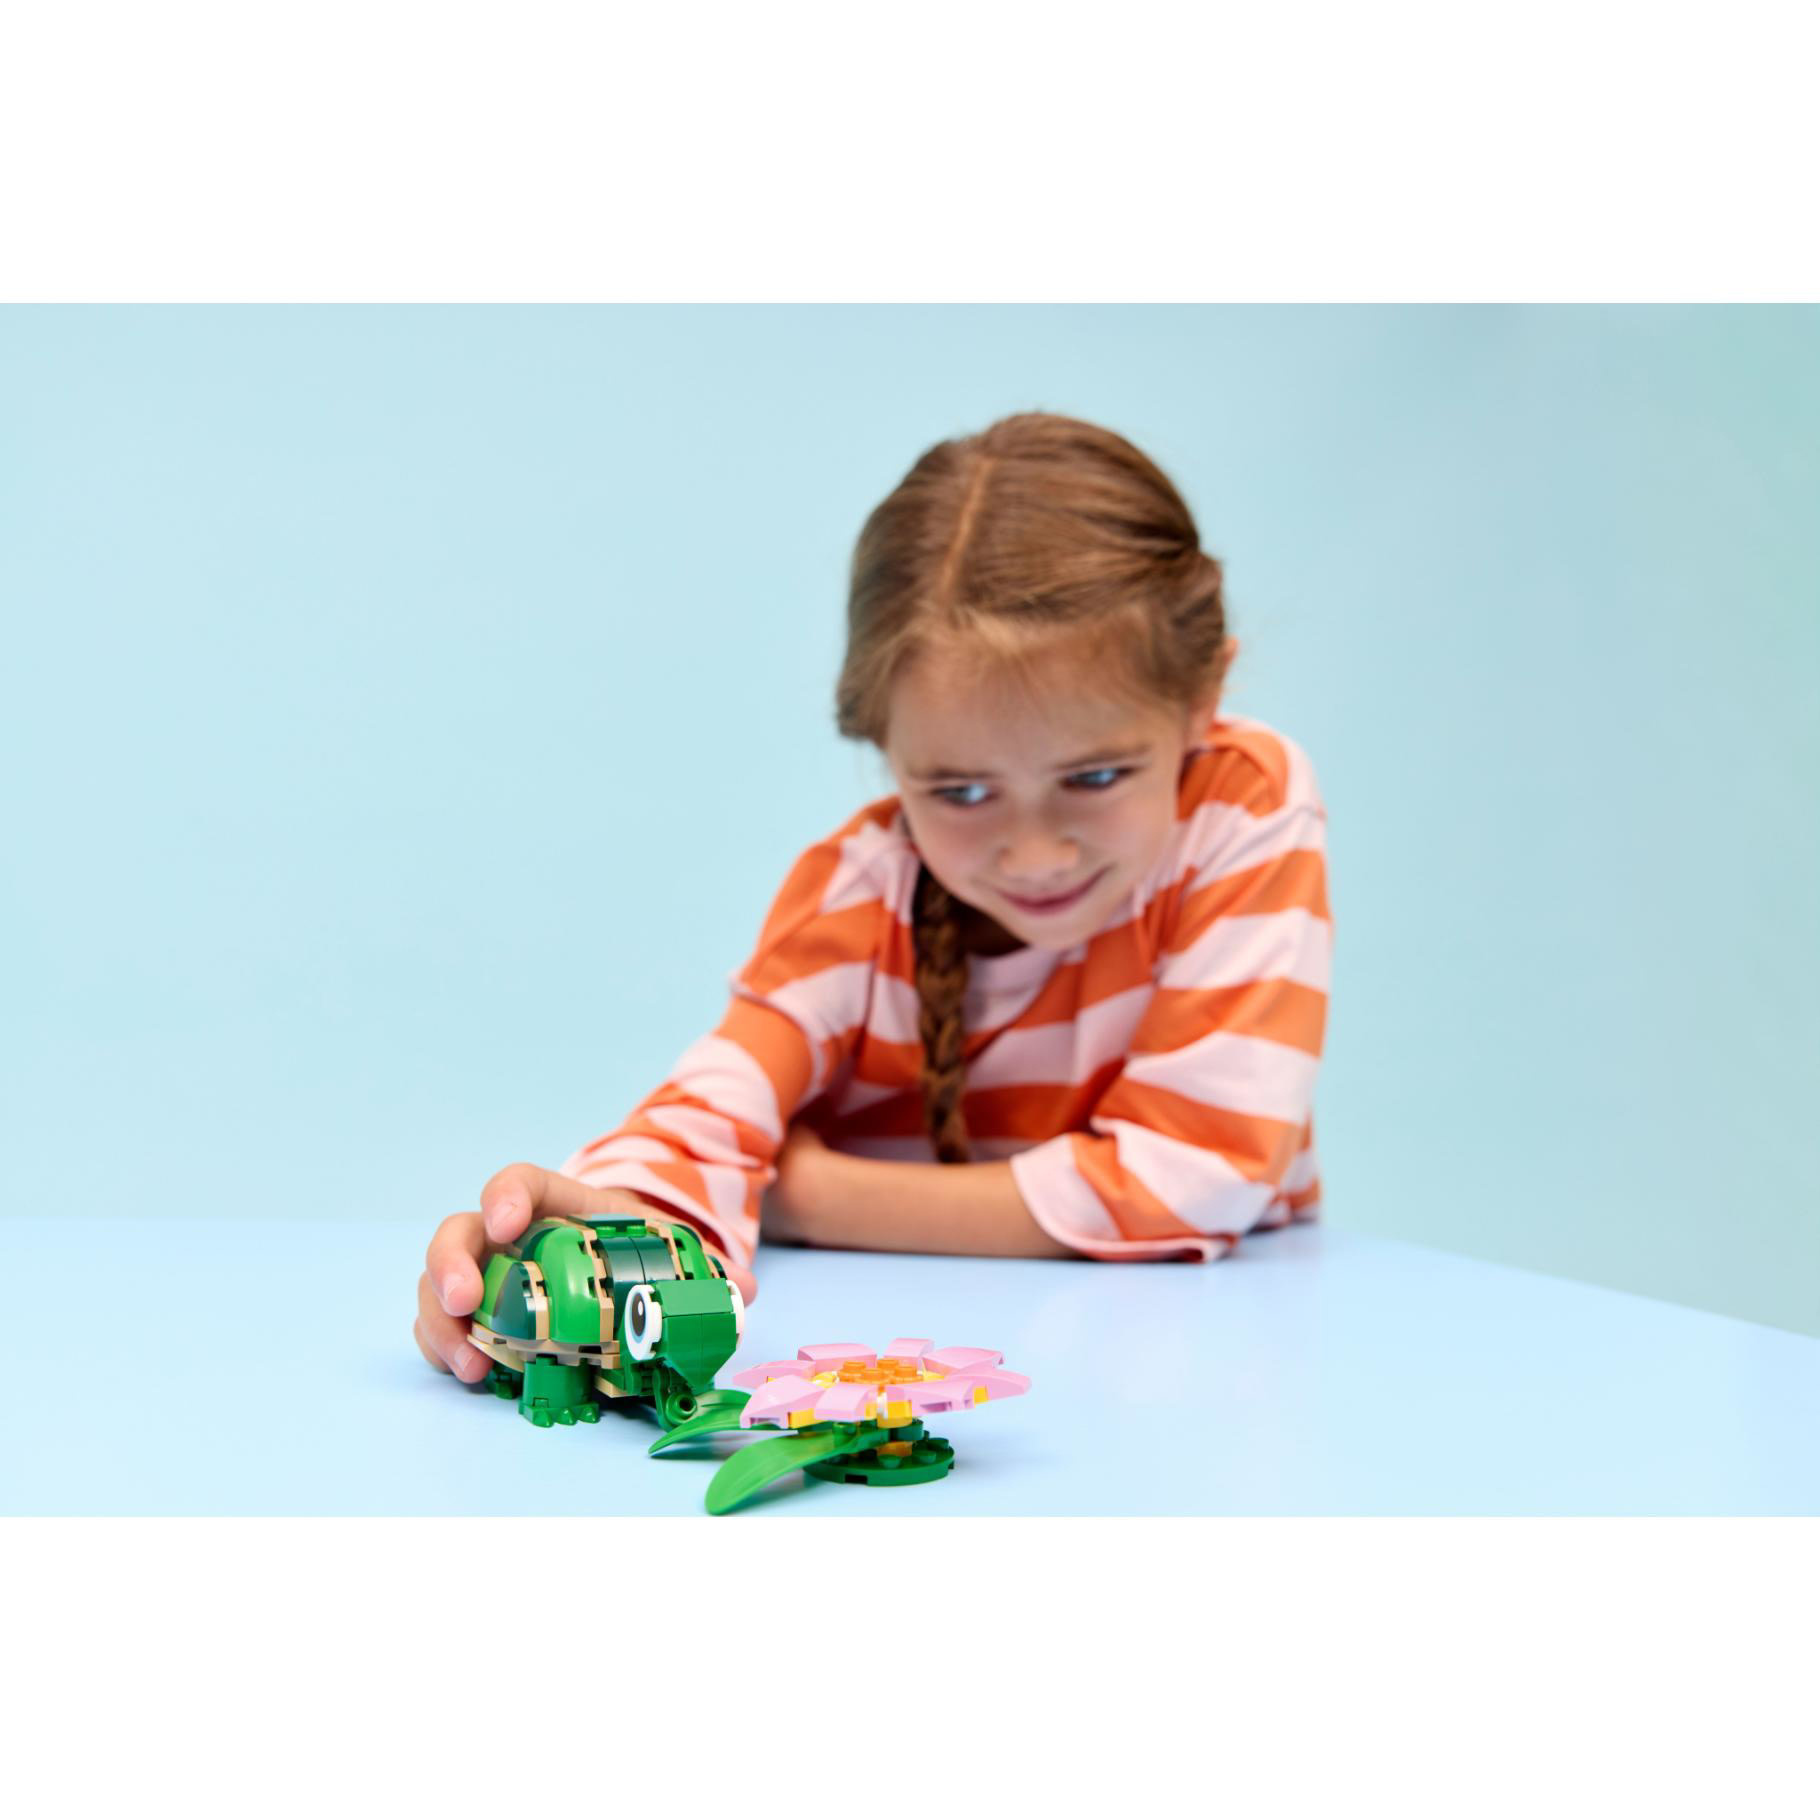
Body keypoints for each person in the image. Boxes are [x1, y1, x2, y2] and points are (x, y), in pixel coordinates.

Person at [414, 410, 1330, 1385]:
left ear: (1201, 700)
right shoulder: (856, 894)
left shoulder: (1241, 807)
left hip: (1202, 1367)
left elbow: (1195, 1177)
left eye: (1095, 776)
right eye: (960, 791)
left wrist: (809, 1195)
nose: (1035, 853)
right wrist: (588, 1238)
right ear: (884, 748)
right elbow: (707, 1119)